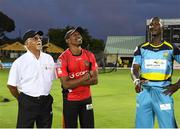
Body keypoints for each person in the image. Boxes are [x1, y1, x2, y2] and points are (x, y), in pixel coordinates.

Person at [131, 17, 180, 128]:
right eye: (151, 24)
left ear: (162, 28)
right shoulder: (141, 48)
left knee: (168, 126)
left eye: (157, 24)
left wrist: (177, 86)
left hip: (163, 92)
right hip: (145, 92)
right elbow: (134, 69)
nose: (153, 26)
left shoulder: (171, 48)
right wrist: (136, 81)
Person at [7, 30, 55, 128]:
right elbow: (11, 85)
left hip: (46, 102)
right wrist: (21, 99)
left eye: (40, 38)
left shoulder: (48, 58)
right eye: (35, 38)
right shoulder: (19, 62)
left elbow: (52, 78)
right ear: (27, 43)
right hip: (27, 101)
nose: (39, 40)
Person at [56, 27, 98, 128]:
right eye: (74, 35)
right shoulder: (62, 59)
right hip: (70, 101)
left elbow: (95, 80)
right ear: (67, 40)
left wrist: (73, 82)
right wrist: (84, 78)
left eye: (79, 34)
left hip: (87, 99)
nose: (78, 36)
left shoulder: (89, 55)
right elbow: (65, 85)